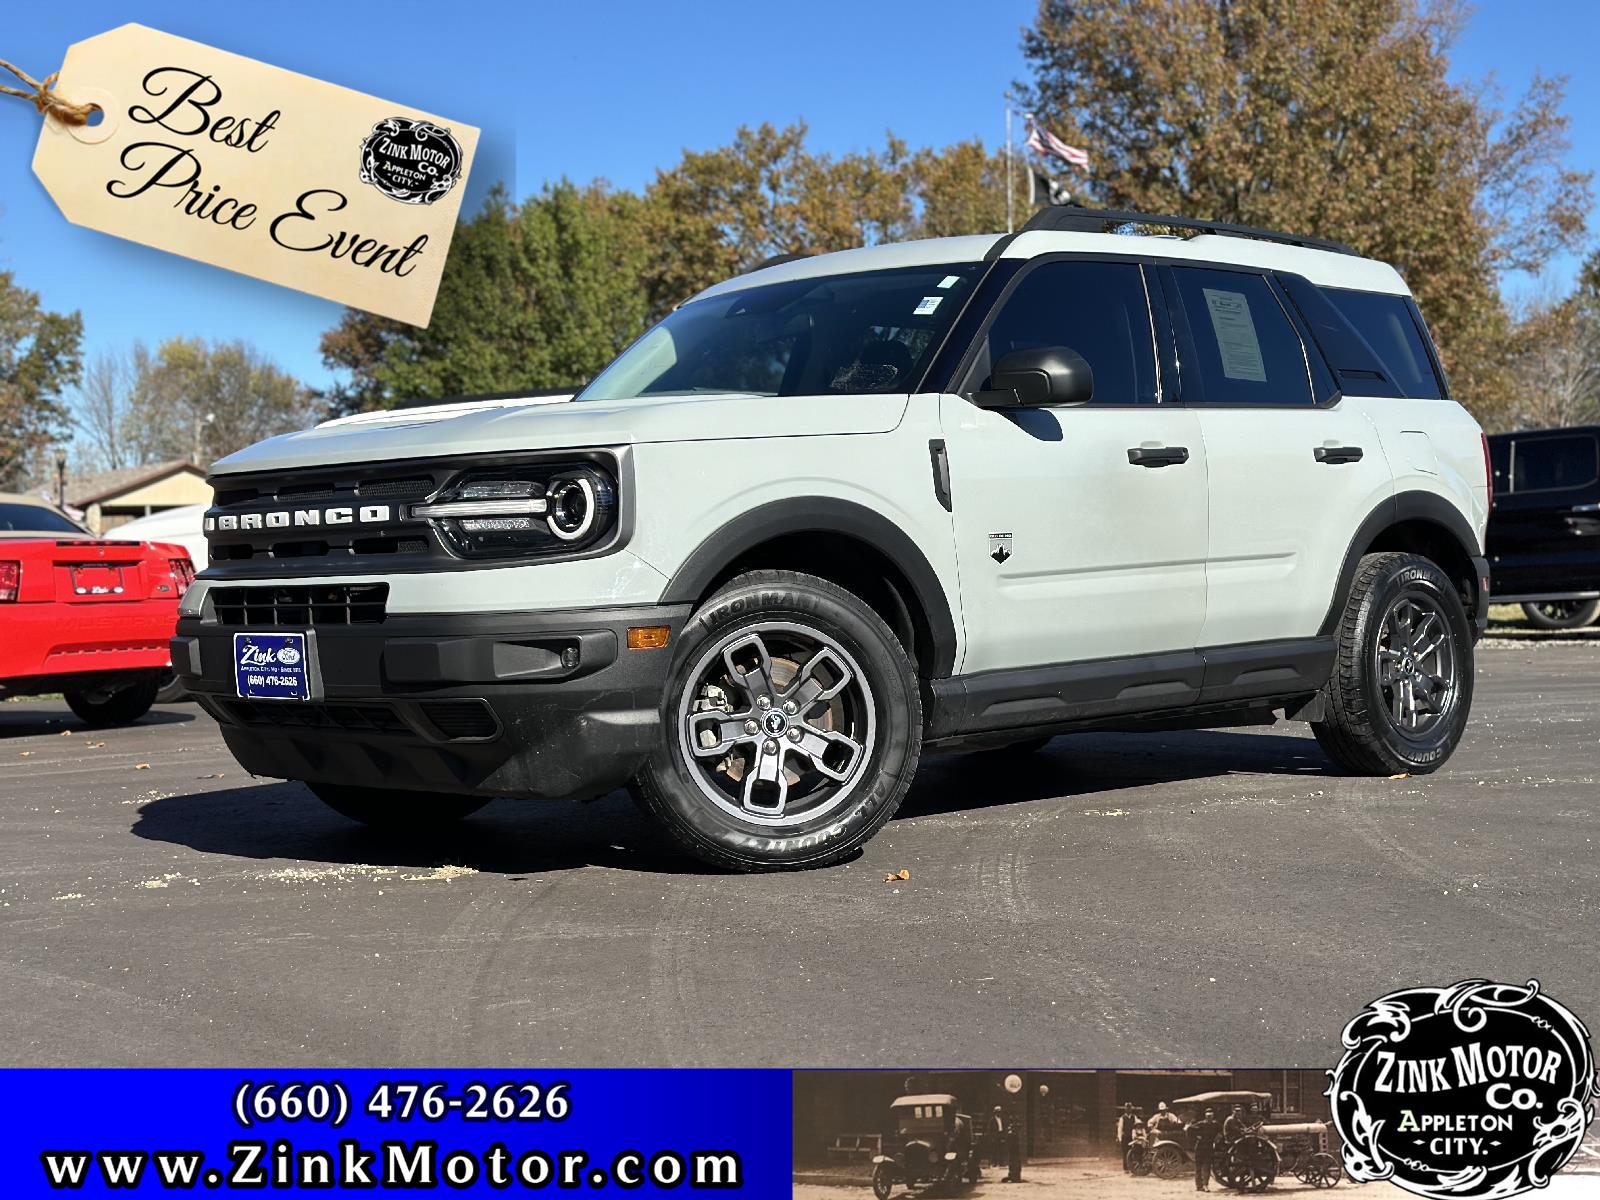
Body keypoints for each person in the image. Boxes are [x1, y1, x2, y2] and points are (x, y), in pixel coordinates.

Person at [1188, 1107, 1220, 1191]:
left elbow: (1220, 1133)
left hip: (1209, 1147)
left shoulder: (1215, 1124)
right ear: (1205, 1117)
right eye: (1208, 1116)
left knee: (1207, 1167)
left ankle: (1205, 1185)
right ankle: (1198, 1186)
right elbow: (1189, 1129)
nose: (1209, 1118)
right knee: (1198, 1167)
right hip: (1200, 1147)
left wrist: (1217, 1139)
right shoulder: (1201, 1124)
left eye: (1211, 1116)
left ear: (1213, 1116)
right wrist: (1196, 1137)